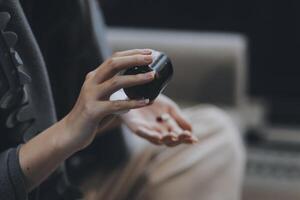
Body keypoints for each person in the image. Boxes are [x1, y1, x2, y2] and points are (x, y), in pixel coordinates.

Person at [0, 0, 245, 200]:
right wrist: (65, 134)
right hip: (26, 183)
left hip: (68, 176)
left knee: (211, 137)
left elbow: (57, 100)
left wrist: (116, 107)